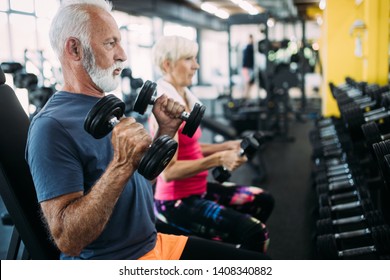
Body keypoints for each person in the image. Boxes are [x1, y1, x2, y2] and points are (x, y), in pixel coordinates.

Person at [26, 0, 270, 260]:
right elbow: (68, 239)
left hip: (152, 242)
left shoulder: (105, 107)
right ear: (74, 48)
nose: (122, 54)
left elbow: (142, 184)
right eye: (110, 43)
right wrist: (121, 165)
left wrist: (165, 132)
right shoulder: (50, 127)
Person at [149, 35, 275, 253]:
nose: (196, 66)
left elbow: (191, 149)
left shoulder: (186, 98)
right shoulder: (166, 109)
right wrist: (218, 159)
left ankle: (234, 252)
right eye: (189, 59)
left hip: (198, 189)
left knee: (263, 200)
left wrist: (227, 146)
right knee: (256, 233)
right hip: (175, 202)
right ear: (167, 65)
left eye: (195, 59)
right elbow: (168, 172)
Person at [242, 34, 255, 99]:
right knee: (247, 82)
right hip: (247, 68)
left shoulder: (251, 47)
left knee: (250, 82)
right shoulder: (248, 47)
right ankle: (245, 96)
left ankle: (247, 95)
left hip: (250, 67)